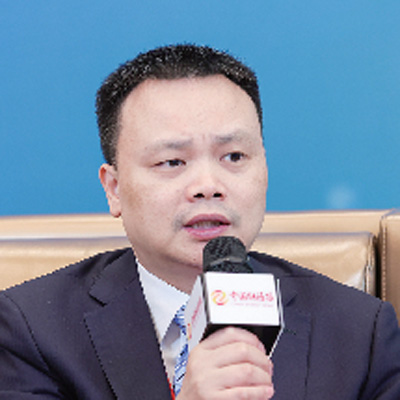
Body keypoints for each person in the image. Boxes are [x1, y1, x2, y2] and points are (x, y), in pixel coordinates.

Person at [0, 44, 400, 400]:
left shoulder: (360, 331)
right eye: (172, 162)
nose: (208, 186)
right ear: (114, 188)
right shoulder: (32, 329)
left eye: (234, 157)